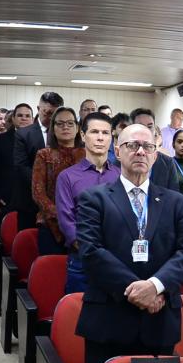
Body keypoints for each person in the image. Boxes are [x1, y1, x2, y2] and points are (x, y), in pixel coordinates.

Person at [73, 124, 183, 363]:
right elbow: (91, 252)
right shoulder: (93, 199)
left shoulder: (177, 202)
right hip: (108, 320)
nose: (140, 151)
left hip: (159, 318)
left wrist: (154, 286)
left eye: (148, 147)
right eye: (132, 146)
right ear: (117, 151)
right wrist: (137, 291)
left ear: (155, 154)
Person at [56, 111, 118, 294]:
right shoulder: (67, 177)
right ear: (83, 136)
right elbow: (68, 224)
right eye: (94, 132)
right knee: (79, 318)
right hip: (82, 261)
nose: (100, 138)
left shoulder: (121, 176)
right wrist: (94, 253)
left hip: (117, 262)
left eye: (105, 133)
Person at [32, 105, 87, 255]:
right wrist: (62, 215)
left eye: (70, 123)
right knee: (52, 274)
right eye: (60, 123)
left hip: (83, 224)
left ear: (77, 128)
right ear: (53, 128)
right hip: (50, 223)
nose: (65, 127)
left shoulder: (87, 155)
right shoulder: (44, 155)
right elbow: (38, 193)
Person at [11, 92, 58, 228]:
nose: (50, 117)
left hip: (57, 201)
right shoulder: (24, 134)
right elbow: (21, 166)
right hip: (29, 199)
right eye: (46, 112)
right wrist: (44, 182)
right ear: (38, 109)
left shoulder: (63, 133)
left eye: (54, 114)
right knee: (27, 243)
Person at [0, 104, 29, 221]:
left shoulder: (38, 139)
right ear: (13, 119)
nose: (24, 118)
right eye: (20, 115)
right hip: (5, 199)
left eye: (28, 116)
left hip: (30, 200)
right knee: (5, 235)